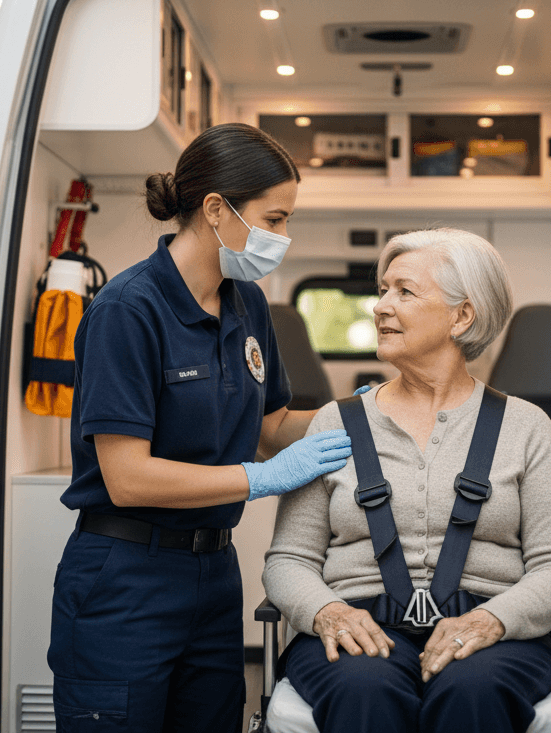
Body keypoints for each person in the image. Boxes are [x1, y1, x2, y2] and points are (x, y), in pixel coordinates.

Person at [49, 123, 353, 732]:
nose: (283, 236)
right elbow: (129, 478)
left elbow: (270, 426)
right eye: (275, 218)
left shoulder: (247, 303)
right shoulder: (128, 310)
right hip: (126, 575)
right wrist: (259, 480)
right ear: (217, 210)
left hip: (213, 575)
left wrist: (358, 414)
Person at [263, 228, 551, 733]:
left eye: (405, 292)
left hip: (493, 629)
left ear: (462, 316)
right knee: (364, 690)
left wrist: (493, 620)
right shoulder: (334, 421)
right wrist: (326, 611)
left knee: (472, 690)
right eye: (383, 290)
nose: (380, 307)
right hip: (357, 624)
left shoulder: (527, 427)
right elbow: (290, 559)